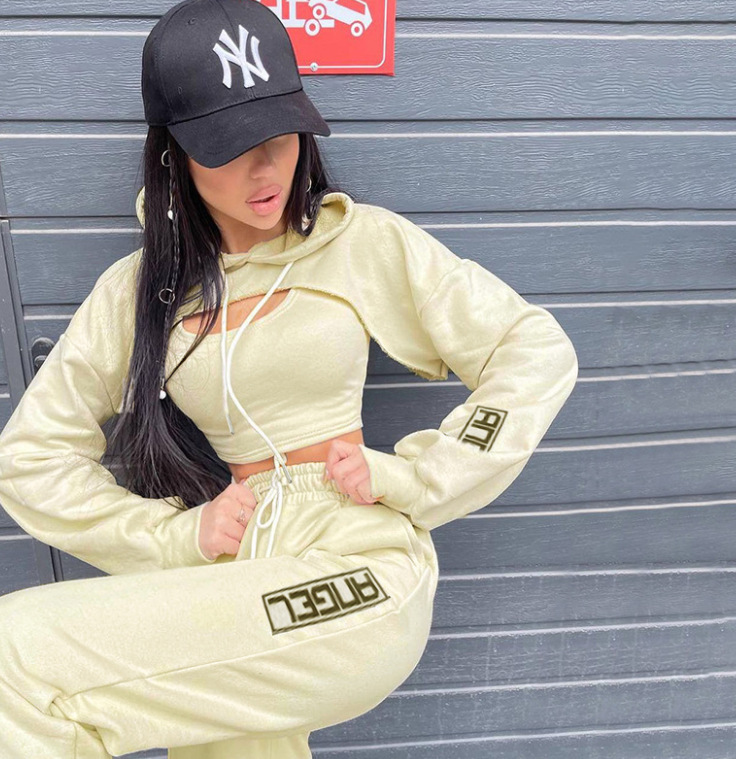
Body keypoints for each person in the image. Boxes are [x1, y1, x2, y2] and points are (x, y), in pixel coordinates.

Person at [0, 0, 579, 757]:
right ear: (174, 155)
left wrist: (422, 476)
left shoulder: (361, 244)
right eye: (229, 145)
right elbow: (31, 460)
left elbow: (532, 349)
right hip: (237, 571)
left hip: (354, 564)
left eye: (279, 133)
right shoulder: (140, 293)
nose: (266, 167)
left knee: (15, 652)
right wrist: (172, 537)